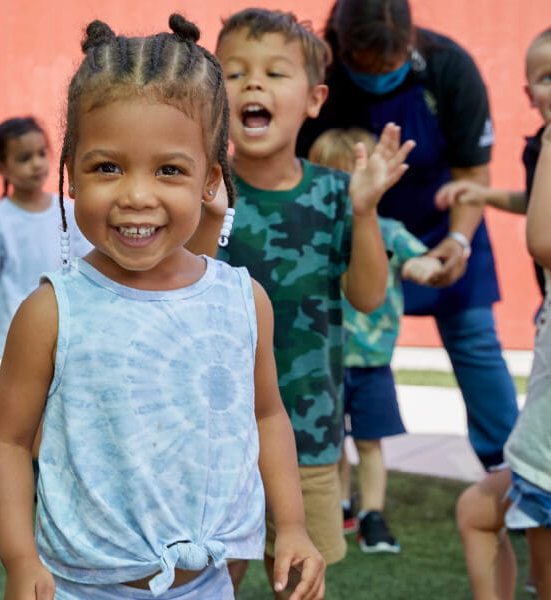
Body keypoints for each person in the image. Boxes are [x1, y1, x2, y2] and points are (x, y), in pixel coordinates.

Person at [0, 14, 326, 600]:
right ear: (71, 176)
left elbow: (267, 415)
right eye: (107, 167)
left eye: (169, 170)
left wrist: (292, 525)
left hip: (209, 585)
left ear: (209, 181)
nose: (136, 195)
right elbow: (8, 443)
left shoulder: (243, 301)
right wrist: (19, 560)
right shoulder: (51, 311)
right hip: (78, 589)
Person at [211, 8, 414, 595]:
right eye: (233, 72)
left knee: (300, 578)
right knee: (211, 576)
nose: (253, 84)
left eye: (275, 74)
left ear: (315, 99)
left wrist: (367, 210)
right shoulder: (198, 187)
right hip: (214, 433)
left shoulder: (333, 193)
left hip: (309, 430)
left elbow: (368, 296)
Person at [296, 0, 519, 471]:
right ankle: (314, 470)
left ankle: (507, 470)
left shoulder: (449, 68)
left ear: (411, 41)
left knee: (474, 339)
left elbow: (473, 172)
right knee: (320, 350)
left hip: (442, 222)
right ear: (343, 45)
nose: (379, 72)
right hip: (343, 234)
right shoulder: (317, 72)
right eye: (367, 65)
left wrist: (458, 242)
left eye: (390, 64)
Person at [309, 128, 443, 554]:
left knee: (369, 441)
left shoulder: (387, 231)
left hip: (371, 362)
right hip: (322, 362)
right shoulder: (313, 233)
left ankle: (373, 513)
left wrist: (428, 266)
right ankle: (342, 506)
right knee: (331, 442)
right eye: (333, 180)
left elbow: (421, 259)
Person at [456, 122, 551, 600]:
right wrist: (489, 195)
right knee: (477, 509)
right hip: (537, 463)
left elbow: (542, 240)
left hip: (546, 469)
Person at [436, 26, 551, 301]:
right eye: (547, 78)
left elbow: (543, 243)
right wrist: (484, 195)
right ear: (530, 95)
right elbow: (537, 205)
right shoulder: (537, 149)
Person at [0, 117, 91, 358]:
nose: (37, 164)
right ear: (1, 168)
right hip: (16, 333)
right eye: (25, 158)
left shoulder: (69, 211)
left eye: (41, 153)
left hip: (66, 326)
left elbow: (86, 265)